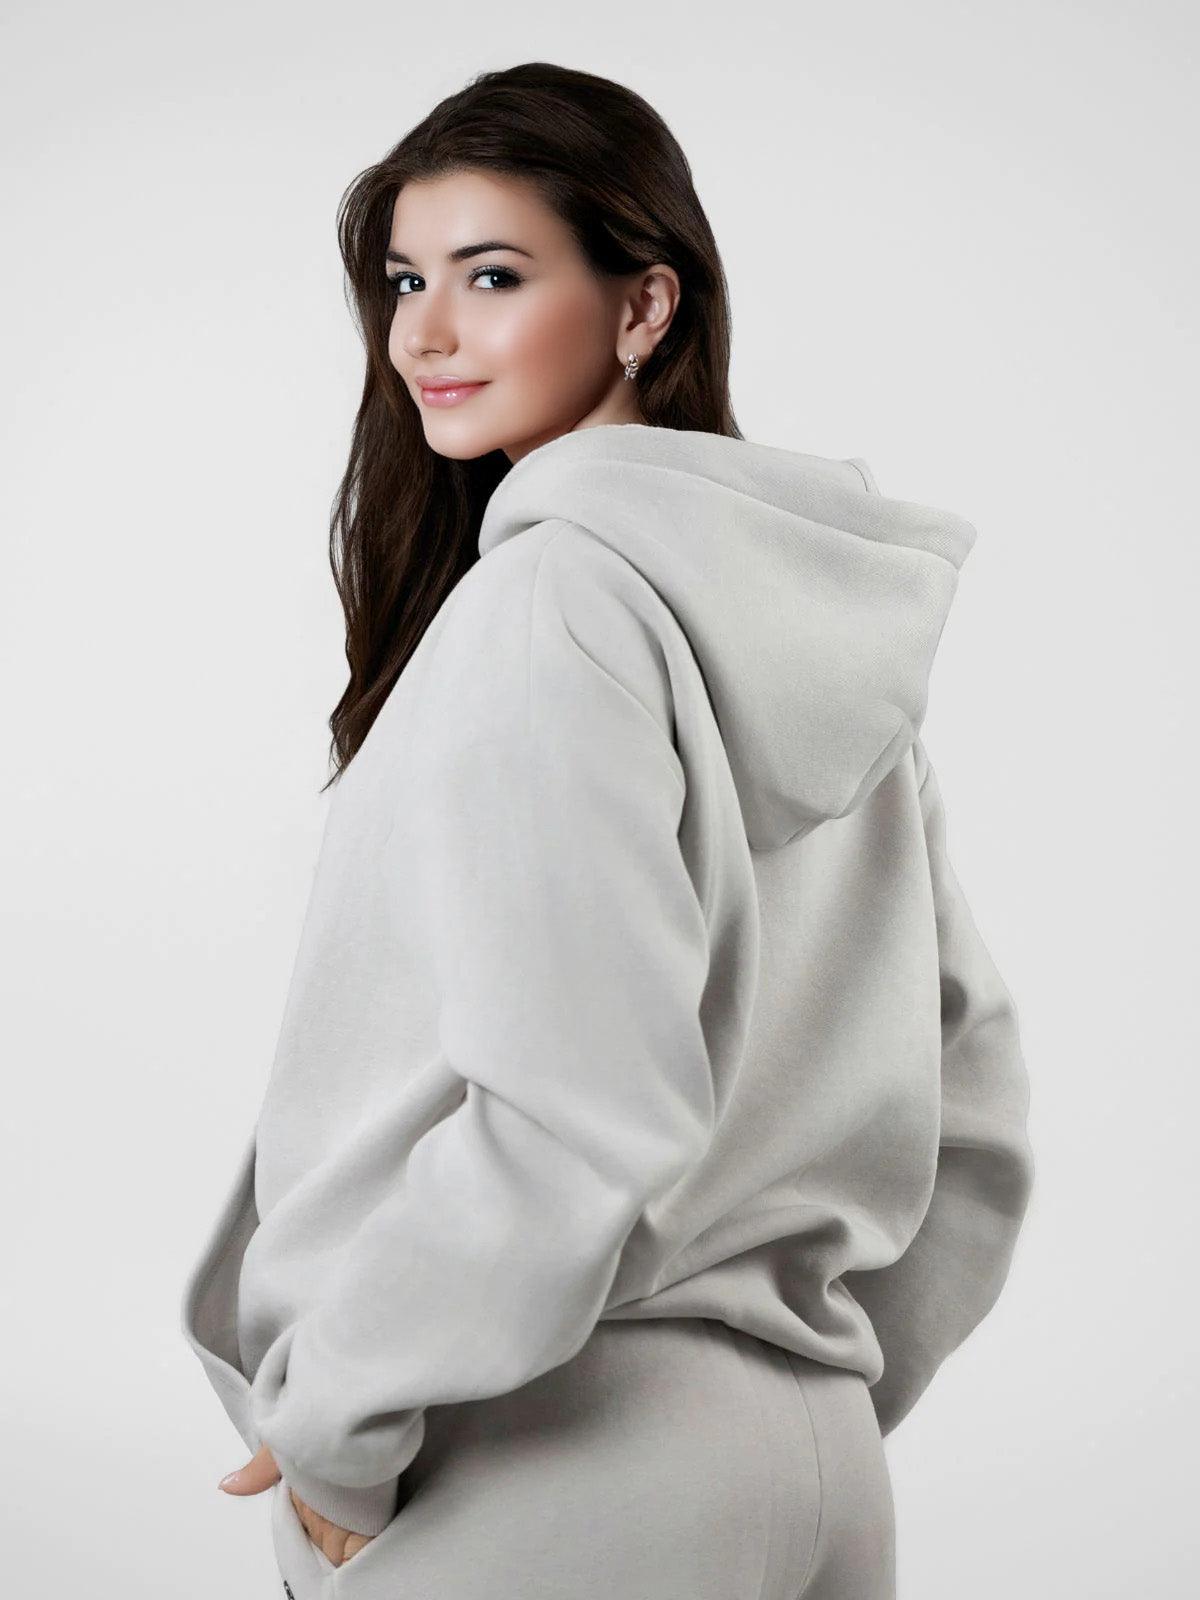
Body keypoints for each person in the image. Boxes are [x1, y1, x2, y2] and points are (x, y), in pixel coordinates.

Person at [179, 61, 1035, 1600]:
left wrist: (340, 1427)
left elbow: (577, 1104)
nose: (424, 333)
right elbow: (971, 1098)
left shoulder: (554, 601)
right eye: (405, 281)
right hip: (826, 1470)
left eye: (493, 276)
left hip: (551, 1454)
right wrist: (806, 1393)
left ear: (644, 307)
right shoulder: (821, 635)